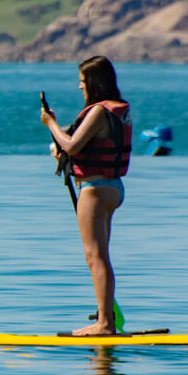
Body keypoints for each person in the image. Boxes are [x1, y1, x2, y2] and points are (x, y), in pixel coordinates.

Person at [39, 56, 131, 336]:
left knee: (95, 257)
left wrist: (50, 124)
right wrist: (62, 147)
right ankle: (108, 320)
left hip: (94, 190)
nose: (80, 87)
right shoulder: (115, 110)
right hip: (112, 188)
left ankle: (104, 324)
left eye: (82, 81)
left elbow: (73, 145)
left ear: (94, 81)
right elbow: (75, 145)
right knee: (100, 255)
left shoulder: (99, 112)